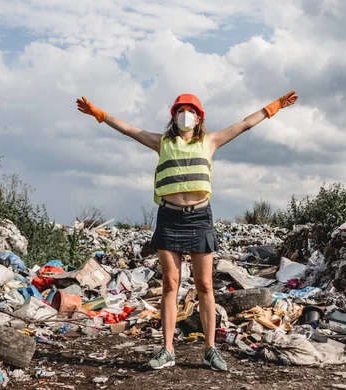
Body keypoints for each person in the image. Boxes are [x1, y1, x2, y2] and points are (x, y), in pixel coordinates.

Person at [76, 90, 298, 371]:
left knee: (205, 286)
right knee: (170, 284)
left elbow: (244, 124)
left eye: (190, 110)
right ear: (174, 116)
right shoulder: (162, 143)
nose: (185, 114)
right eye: (181, 109)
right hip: (169, 219)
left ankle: (210, 350)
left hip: (199, 219)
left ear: (199, 117)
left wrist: (274, 106)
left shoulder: (210, 141)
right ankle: (167, 350)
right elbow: (129, 129)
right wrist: (100, 114)